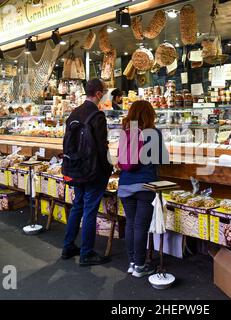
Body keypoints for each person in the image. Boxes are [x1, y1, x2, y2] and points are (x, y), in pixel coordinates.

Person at [62, 79, 113, 266]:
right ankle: (87, 253)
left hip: (75, 168)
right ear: (98, 94)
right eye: (104, 92)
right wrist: (108, 168)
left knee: (77, 206)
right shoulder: (97, 116)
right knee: (90, 210)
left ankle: (68, 246)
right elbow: (101, 148)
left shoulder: (74, 113)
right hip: (93, 171)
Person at [117, 100, 169, 278]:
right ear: (150, 114)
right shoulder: (152, 133)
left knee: (130, 224)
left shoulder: (126, 132)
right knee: (140, 226)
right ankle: (140, 265)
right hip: (145, 185)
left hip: (125, 185)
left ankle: (133, 263)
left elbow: (121, 160)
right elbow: (162, 159)